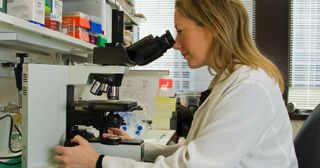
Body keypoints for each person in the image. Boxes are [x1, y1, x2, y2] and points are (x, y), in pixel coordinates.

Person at [54, 0, 298, 167]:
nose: (176, 43)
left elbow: (191, 165)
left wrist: (98, 162)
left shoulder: (249, 87)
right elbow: (195, 151)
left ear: (213, 27)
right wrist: (138, 146)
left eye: (181, 31)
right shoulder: (231, 79)